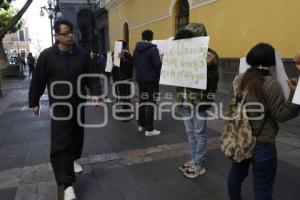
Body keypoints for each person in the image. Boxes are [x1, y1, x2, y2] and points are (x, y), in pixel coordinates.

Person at [28, 19, 101, 200]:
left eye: (71, 32)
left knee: (77, 136)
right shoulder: (47, 56)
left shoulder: (83, 54)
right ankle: (66, 183)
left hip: (78, 104)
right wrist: (34, 101)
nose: (70, 36)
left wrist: (96, 92)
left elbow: (92, 77)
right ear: (57, 35)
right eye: (66, 33)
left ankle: (74, 158)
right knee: (60, 144)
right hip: (59, 108)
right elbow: (38, 80)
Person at [227, 43, 300, 200]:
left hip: (241, 138)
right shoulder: (270, 84)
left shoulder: (237, 79)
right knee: (263, 186)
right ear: (272, 61)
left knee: (236, 175)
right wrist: (296, 94)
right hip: (263, 142)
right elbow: (281, 115)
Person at [174, 23, 219, 179]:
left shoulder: (211, 55)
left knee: (199, 133)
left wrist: (211, 66)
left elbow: (213, 83)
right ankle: (194, 159)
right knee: (190, 132)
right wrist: (166, 62)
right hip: (184, 99)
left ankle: (199, 162)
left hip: (199, 101)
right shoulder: (181, 52)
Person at [134, 29, 162, 136]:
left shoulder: (136, 49)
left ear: (142, 37)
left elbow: (135, 63)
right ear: (152, 37)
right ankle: (149, 129)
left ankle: (141, 124)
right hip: (152, 80)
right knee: (151, 102)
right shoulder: (153, 49)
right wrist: (160, 59)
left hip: (141, 79)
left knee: (143, 101)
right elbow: (157, 65)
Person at [111, 40, 133, 119]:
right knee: (122, 94)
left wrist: (123, 59)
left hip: (126, 78)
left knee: (126, 95)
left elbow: (130, 65)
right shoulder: (115, 54)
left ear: (122, 46)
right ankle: (124, 109)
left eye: (118, 45)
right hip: (118, 78)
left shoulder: (127, 54)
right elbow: (114, 67)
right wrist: (112, 64)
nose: (116, 47)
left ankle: (128, 111)